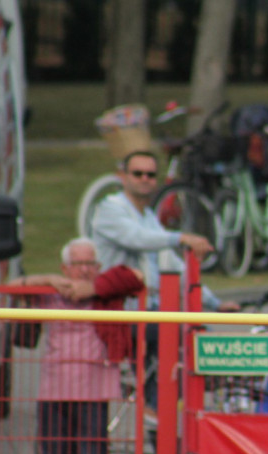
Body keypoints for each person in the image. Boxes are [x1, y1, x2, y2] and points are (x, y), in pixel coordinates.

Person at [9, 238, 145, 454]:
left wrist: (94, 287)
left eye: (91, 263)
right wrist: (47, 279)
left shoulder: (106, 290)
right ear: (65, 267)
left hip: (94, 391)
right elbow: (10, 286)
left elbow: (138, 277)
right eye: (78, 264)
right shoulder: (50, 292)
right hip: (54, 391)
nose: (84, 269)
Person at [90, 150, 240, 411]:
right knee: (187, 331)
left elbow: (177, 268)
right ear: (122, 176)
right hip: (121, 314)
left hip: (150, 312)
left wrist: (215, 303)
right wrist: (180, 238)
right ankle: (213, 379)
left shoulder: (149, 217)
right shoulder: (110, 209)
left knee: (162, 384)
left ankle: (163, 427)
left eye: (150, 174)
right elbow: (135, 238)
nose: (145, 179)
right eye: (138, 173)